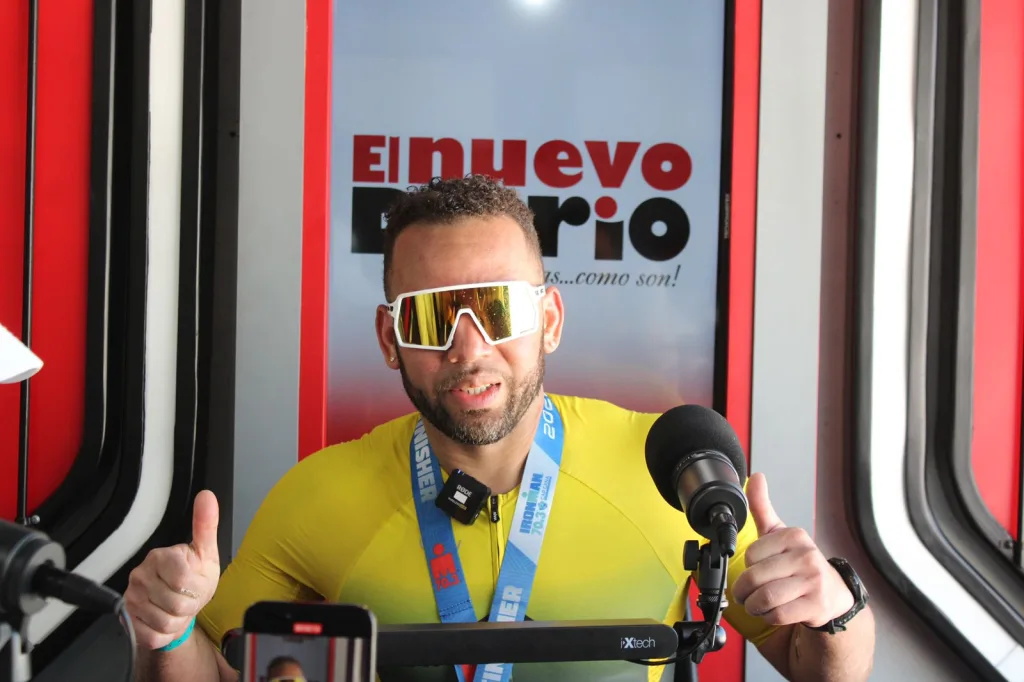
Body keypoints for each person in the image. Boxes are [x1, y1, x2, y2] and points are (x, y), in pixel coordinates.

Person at [125, 175, 875, 682]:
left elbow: (816, 664)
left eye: (497, 310)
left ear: (549, 320)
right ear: (389, 339)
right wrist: (170, 630)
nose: (468, 349)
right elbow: (211, 675)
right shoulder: (317, 494)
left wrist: (834, 608)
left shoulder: (667, 472)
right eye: (430, 317)